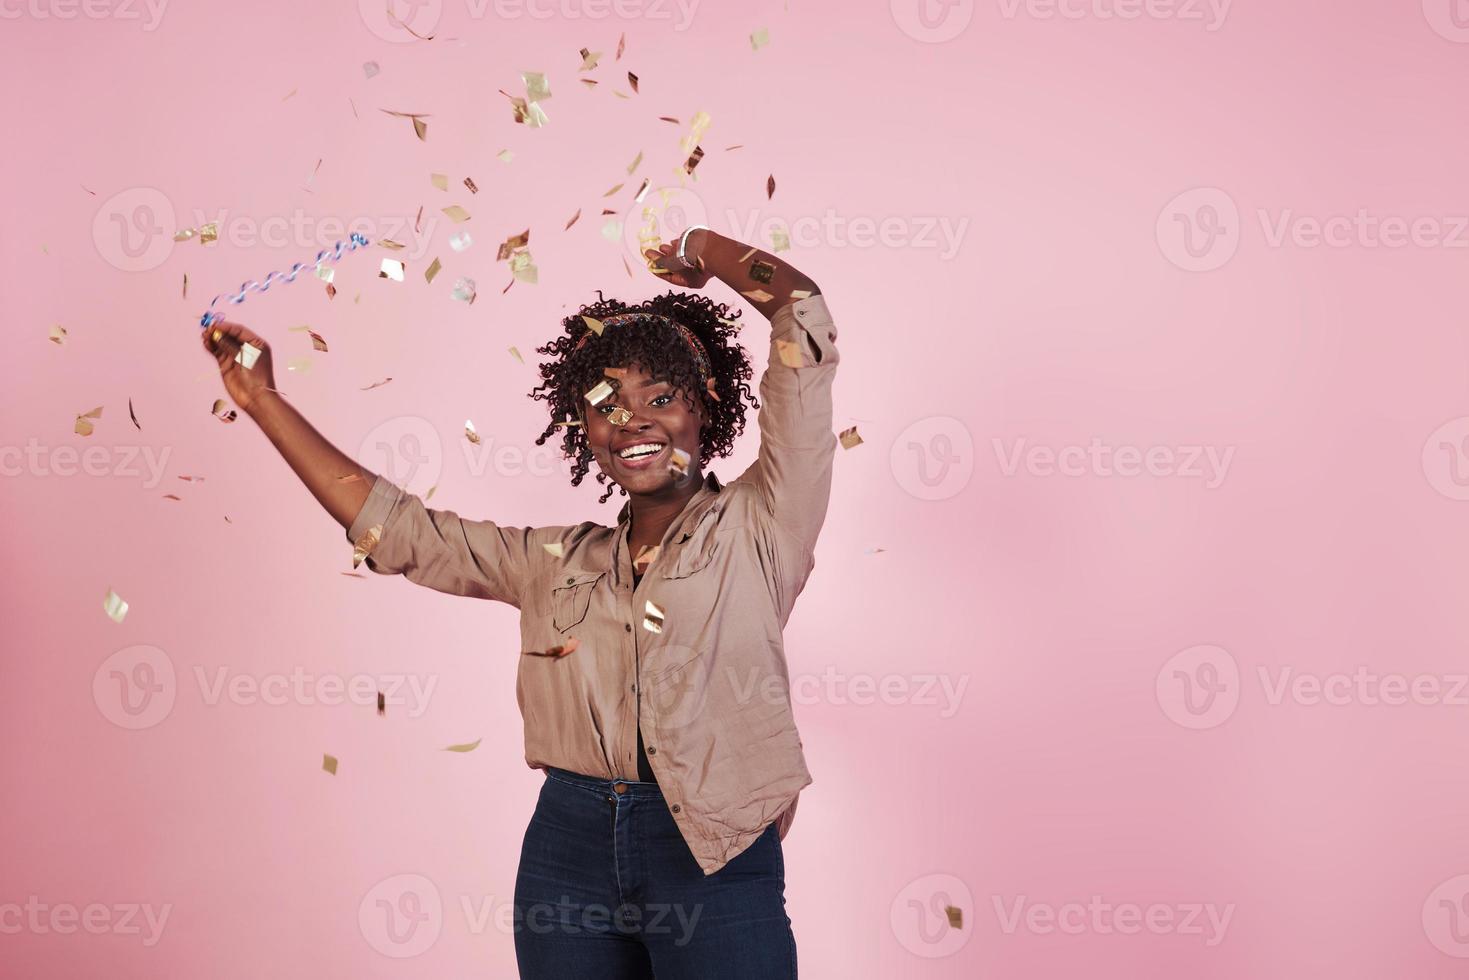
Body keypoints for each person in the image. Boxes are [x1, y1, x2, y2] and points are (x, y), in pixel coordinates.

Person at [202, 227, 840, 979]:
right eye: (607, 406)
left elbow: (802, 314)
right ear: (586, 429)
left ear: (703, 405)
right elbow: (402, 533)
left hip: (714, 847)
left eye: (659, 399)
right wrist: (263, 399)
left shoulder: (764, 522)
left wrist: (704, 249)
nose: (632, 421)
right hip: (568, 851)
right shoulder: (554, 561)